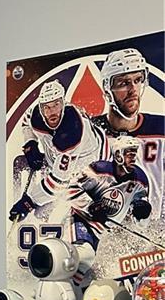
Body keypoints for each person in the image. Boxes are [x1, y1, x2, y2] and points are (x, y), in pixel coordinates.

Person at [9, 78, 107, 221]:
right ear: (41, 108)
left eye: (56, 105)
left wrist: (28, 203)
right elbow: (26, 120)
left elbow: (58, 183)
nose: (52, 111)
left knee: (72, 192)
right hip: (60, 159)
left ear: (63, 103)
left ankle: (91, 208)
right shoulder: (36, 115)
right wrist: (31, 144)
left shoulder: (73, 132)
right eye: (47, 107)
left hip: (92, 157)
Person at [70, 136, 151, 250]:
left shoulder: (140, 180)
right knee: (83, 254)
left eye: (135, 153)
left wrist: (143, 214)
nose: (134, 158)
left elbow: (141, 225)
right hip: (80, 219)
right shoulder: (98, 170)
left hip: (100, 229)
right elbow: (69, 189)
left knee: (86, 263)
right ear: (118, 155)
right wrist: (90, 205)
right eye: (130, 154)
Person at [91, 48, 164, 137]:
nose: (133, 89)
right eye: (124, 83)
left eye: (137, 80)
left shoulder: (162, 127)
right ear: (107, 88)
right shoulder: (90, 131)